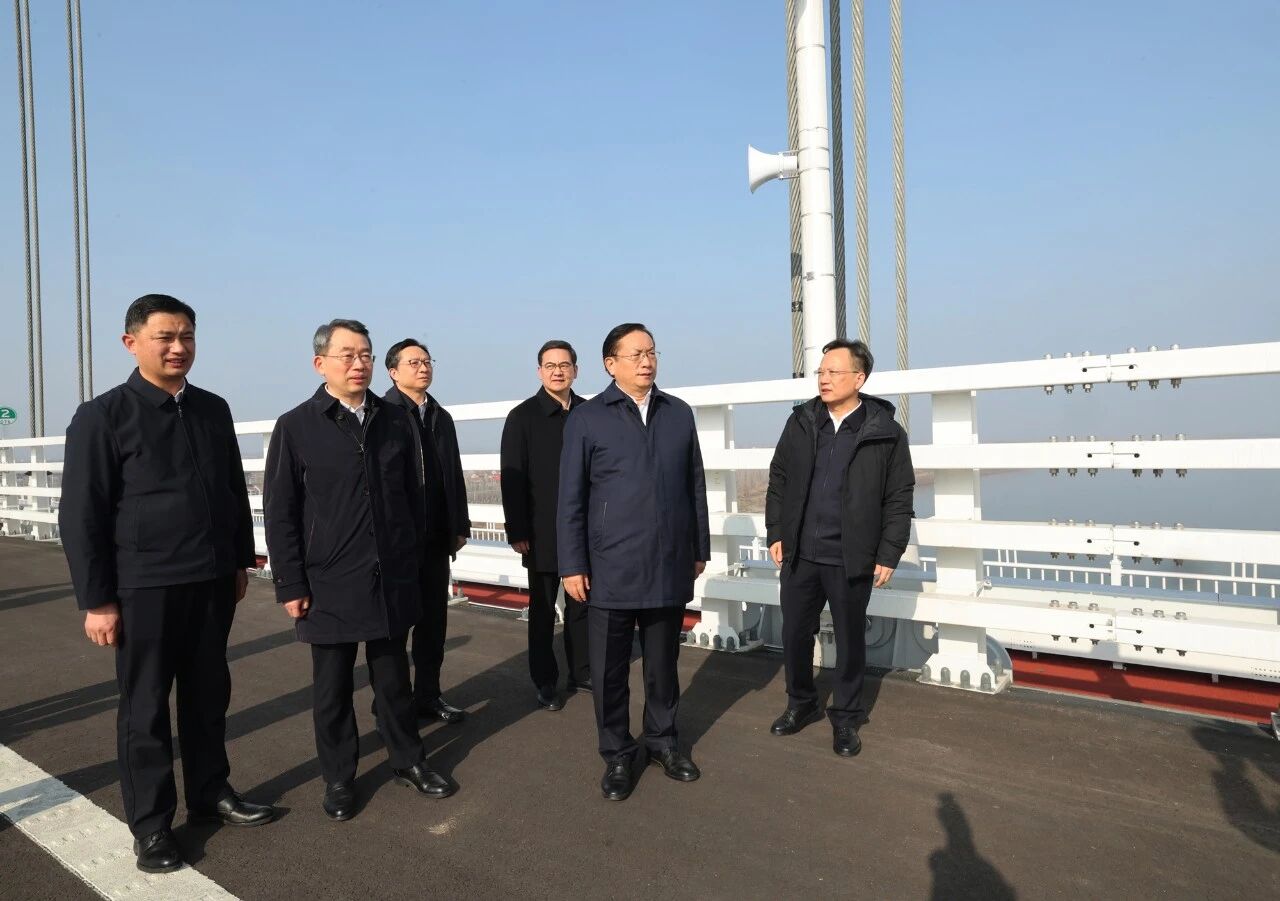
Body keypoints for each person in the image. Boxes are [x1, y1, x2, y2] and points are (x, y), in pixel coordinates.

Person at [59, 294, 275, 874]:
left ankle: (210, 792)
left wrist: (238, 561)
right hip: (143, 586)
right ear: (131, 343)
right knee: (146, 708)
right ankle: (152, 825)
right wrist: (98, 600)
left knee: (208, 695)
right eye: (165, 337)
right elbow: (81, 514)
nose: (179, 348)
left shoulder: (212, 409)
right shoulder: (103, 416)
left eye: (187, 337)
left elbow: (231, 489)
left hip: (210, 580)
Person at [264, 319, 457, 822]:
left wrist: (412, 560)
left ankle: (408, 760)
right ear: (320, 363)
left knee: (393, 679)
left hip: (390, 574)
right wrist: (290, 582)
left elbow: (410, 497)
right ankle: (339, 777)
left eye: (366, 355)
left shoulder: (394, 421)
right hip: (328, 578)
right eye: (347, 355)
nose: (358, 364)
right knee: (332, 688)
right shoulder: (297, 426)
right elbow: (281, 511)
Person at [558, 323, 710, 801]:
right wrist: (572, 564)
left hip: (668, 561)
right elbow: (571, 498)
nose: (647, 361)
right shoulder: (588, 418)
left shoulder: (677, 413)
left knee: (663, 664)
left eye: (652, 352)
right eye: (636, 354)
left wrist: (698, 547)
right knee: (609, 670)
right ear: (611, 364)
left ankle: (664, 742)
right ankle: (618, 753)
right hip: (610, 565)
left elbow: (695, 485)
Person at [764, 338, 915, 757]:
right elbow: (779, 478)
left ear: (859, 378)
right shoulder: (801, 421)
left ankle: (846, 718)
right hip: (800, 553)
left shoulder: (885, 432)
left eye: (833, 372)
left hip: (851, 555)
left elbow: (899, 496)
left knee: (850, 639)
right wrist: (776, 532)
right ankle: (800, 703)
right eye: (821, 372)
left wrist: (888, 553)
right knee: (795, 632)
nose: (824, 379)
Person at [382, 338, 471, 724]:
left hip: (435, 537)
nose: (423, 367)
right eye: (414, 362)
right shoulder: (382, 414)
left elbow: (454, 474)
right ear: (393, 371)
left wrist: (459, 525)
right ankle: (393, 706)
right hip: (398, 541)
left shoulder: (440, 416)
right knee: (396, 628)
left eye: (427, 361)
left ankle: (429, 696)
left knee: (433, 625)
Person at [500, 340, 590, 711]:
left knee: (583, 602)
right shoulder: (522, 417)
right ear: (539, 372)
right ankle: (545, 680)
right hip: (540, 530)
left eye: (564, 365)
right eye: (550, 365)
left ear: (575, 370)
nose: (558, 371)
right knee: (542, 608)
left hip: (585, 529)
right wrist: (518, 530)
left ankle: (582, 671)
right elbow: (512, 478)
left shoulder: (589, 412)